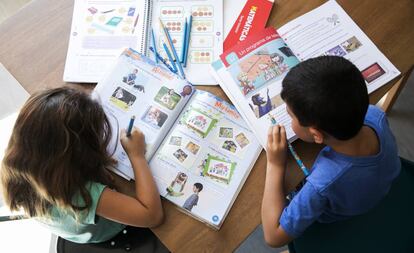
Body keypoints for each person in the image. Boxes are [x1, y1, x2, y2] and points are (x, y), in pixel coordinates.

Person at [261, 56, 400, 247]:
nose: (289, 118)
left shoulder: (323, 183)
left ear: (316, 135)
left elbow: (273, 236)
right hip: (379, 185)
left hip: (337, 218)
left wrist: (275, 164)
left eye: (290, 115)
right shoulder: (375, 115)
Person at [0, 87, 164, 244]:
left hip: (73, 228)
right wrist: (137, 156)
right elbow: (152, 216)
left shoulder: (15, 164)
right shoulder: (79, 195)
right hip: (112, 233)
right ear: (78, 153)